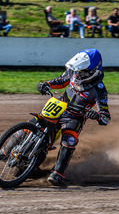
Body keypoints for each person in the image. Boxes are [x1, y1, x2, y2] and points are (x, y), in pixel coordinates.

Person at [35, 49, 111, 186]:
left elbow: (105, 117)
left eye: (82, 71)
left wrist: (97, 115)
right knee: (35, 123)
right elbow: (61, 80)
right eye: (78, 70)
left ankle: (57, 174)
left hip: (75, 117)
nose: (78, 74)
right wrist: (46, 84)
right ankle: (6, 151)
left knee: (69, 140)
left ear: (92, 70)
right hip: (59, 106)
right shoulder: (73, 72)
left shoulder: (99, 89)